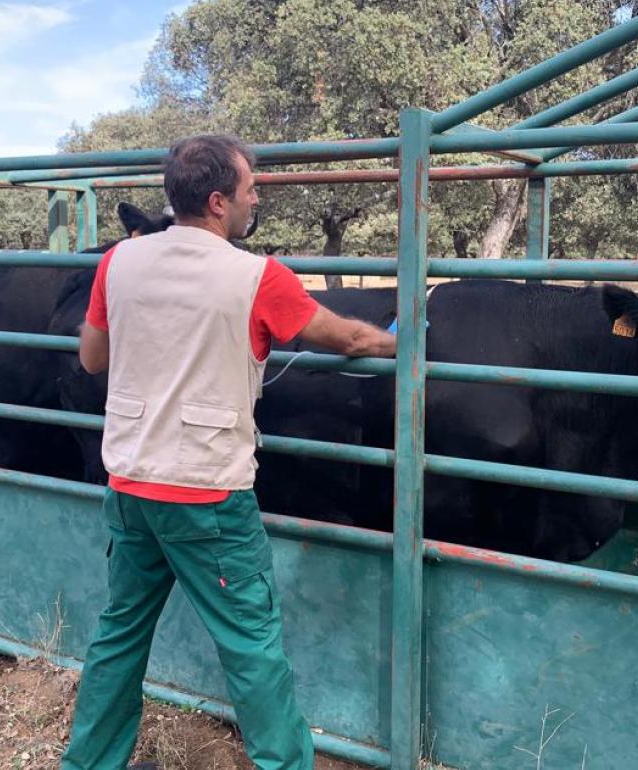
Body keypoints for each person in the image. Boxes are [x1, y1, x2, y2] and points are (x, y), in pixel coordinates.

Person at [61, 134, 396, 770]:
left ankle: (89, 764)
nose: (255, 199)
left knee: (120, 634)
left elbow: (92, 357)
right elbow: (347, 338)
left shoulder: (119, 263)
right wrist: (402, 341)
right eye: (249, 191)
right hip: (207, 494)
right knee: (251, 644)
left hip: (130, 482)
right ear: (218, 203)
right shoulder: (257, 276)